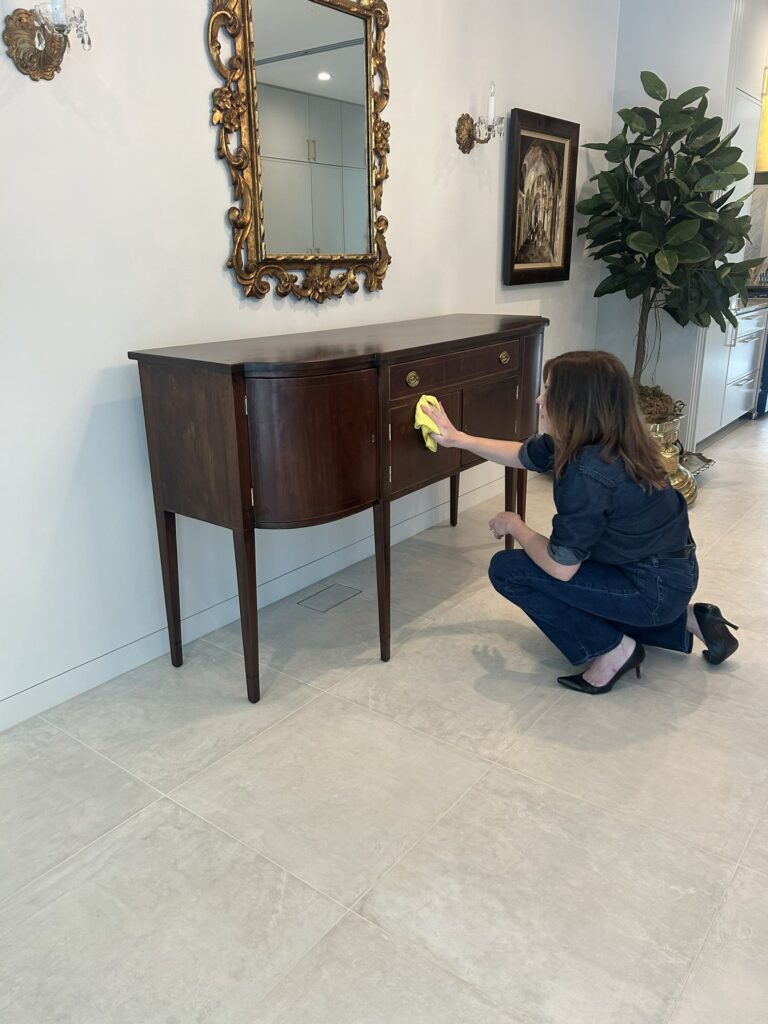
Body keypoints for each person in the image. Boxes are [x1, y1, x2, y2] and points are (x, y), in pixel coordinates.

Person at [421, 350, 739, 694]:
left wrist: (515, 525)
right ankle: (690, 620)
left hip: (653, 589)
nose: (539, 399)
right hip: (668, 575)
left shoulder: (590, 471)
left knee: (509, 569)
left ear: (578, 404)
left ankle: (613, 651)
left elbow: (561, 567)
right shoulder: (610, 438)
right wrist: (458, 439)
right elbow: (521, 454)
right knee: (585, 586)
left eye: (549, 391)